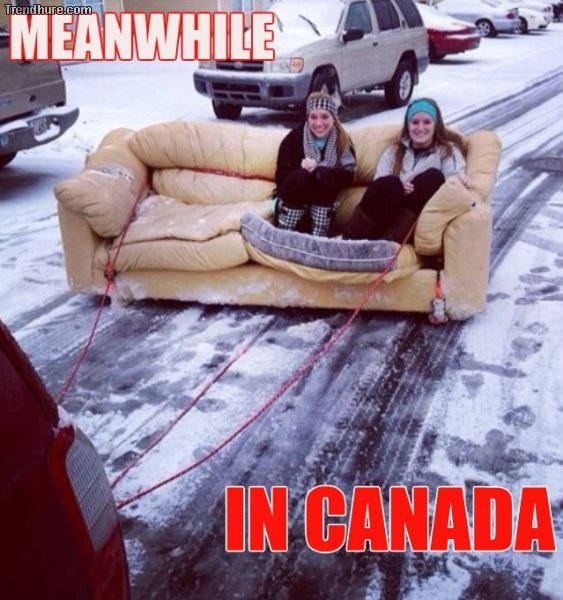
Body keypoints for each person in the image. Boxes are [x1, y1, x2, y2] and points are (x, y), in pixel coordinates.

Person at [345, 97, 470, 243]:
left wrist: (460, 177)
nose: (420, 128)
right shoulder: (394, 150)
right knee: (390, 183)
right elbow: (378, 184)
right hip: (384, 213)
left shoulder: (447, 151)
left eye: (427, 122)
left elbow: (453, 180)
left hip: (410, 221)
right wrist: (399, 189)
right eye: (415, 122)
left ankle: (389, 242)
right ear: (408, 125)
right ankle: (350, 239)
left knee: (433, 177)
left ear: (436, 125)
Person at [274, 92, 356, 237]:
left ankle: (319, 234)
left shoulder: (342, 140)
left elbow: (349, 175)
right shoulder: (293, 139)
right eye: (313, 117)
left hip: (322, 206)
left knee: (323, 174)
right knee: (302, 175)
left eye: (324, 116)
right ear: (307, 117)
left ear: (333, 118)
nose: (319, 123)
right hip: (294, 202)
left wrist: (320, 170)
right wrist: (303, 169)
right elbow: (281, 178)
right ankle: (285, 232)